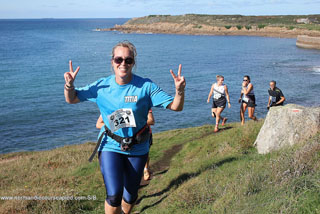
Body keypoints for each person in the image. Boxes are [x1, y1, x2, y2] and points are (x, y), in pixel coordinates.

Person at [64, 41, 186, 214]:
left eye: (128, 60)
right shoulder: (101, 86)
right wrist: (69, 85)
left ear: (133, 63)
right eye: (118, 59)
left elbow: (176, 106)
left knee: (130, 196)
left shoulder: (146, 87)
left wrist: (179, 91)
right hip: (110, 145)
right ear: (112, 61)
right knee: (114, 196)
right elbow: (72, 98)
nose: (123, 64)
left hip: (138, 148)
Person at [96, 109, 155, 181]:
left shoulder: (141, 102)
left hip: (141, 136)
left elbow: (151, 120)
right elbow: (99, 124)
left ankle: (145, 169)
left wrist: (130, 123)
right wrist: (119, 125)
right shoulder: (111, 106)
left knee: (145, 153)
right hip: (120, 139)